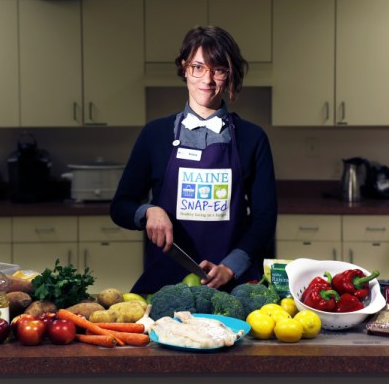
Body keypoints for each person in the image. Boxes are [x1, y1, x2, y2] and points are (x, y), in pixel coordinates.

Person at [110, 26, 278, 295]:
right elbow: (120, 207)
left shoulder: (252, 138)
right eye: (198, 67)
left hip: (232, 285)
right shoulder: (155, 134)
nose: (207, 79)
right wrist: (148, 212)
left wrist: (231, 266)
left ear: (229, 74)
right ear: (184, 68)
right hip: (165, 282)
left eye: (218, 69)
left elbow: (264, 220)